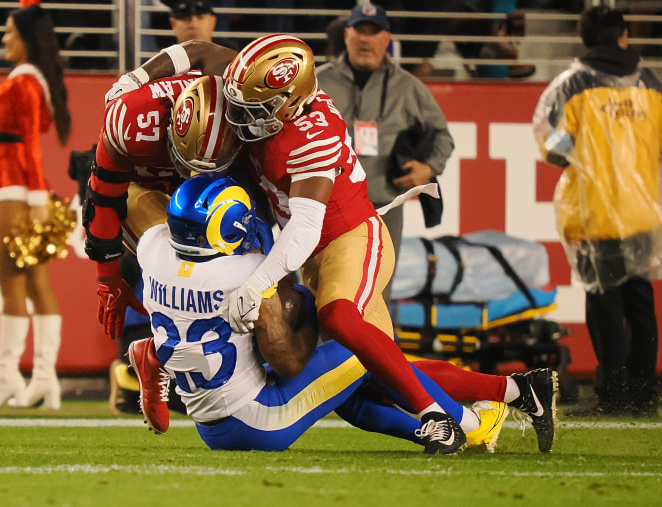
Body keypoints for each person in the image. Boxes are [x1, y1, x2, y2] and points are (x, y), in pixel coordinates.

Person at [111, 35, 558, 453]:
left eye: (258, 109)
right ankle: (517, 390)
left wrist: (258, 283)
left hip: (346, 236)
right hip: (299, 249)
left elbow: (306, 228)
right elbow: (199, 50)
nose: (243, 119)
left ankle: (438, 415)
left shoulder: (314, 132)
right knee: (365, 375)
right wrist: (139, 77)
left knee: (341, 320)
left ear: (294, 99)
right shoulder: (251, 81)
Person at [130, 173, 510, 453]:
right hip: (261, 420)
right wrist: (307, 306)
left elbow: (133, 201)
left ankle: (445, 426)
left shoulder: (153, 251)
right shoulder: (245, 275)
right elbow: (289, 363)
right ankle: (473, 424)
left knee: (347, 391)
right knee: (369, 349)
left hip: (210, 426)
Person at [533, 5, 662, 417]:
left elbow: (550, 142)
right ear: (624, 35)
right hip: (641, 210)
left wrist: (585, 157)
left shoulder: (573, 84)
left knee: (604, 302)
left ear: (585, 38)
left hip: (595, 210)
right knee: (640, 299)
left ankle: (615, 391)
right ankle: (644, 389)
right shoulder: (650, 83)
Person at [316, 2, 455, 303]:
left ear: (387, 39)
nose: (366, 39)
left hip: (383, 207)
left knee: (376, 296)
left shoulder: (408, 87)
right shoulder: (318, 81)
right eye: (360, 31)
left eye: (374, 32)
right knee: (322, 292)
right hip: (327, 205)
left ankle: (368, 352)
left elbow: (443, 136)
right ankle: (323, 352)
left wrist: (428, 169)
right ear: (347, 35)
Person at [0, 3, 72, 410]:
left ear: (28, 39)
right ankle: (45, 381)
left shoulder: (25, 84)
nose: (3, 38)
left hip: (15, 193)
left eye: (10, 31)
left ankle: (8, 376)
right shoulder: (32, 81)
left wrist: (34, 201)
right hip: (20, 191)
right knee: (33, 285)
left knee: (11, 287)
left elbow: (31, 145)